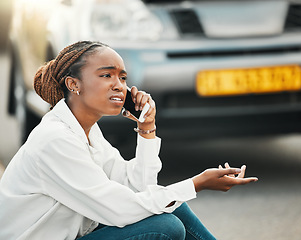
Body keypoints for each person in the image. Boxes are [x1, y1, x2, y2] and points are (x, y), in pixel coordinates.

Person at [0, 41, 258, 240]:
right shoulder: (55, 139)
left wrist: (147, 128)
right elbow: (120, 209)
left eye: (122, 77)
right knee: (165, 226)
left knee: (170, 208)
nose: (119, 86)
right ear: (73, 84)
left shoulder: (88, 131)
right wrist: (196, 184)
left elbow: (139, 187)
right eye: (106, 75)